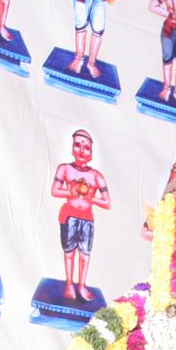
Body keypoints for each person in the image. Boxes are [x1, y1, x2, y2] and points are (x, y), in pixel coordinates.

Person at [51, 128, 109, 300]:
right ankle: (69, 284)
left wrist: (91, 198)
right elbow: (54, 190)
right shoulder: (64, 169)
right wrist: (71, 192)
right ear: (72, 148)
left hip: (87, 219)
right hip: (69, 216)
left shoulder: (96, 176)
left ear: (91, 153)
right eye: (77, 145)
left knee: (84, 255)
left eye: (86, 148)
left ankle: (81, 286)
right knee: (69, 252)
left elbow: (107, 202)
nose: (82, 151)